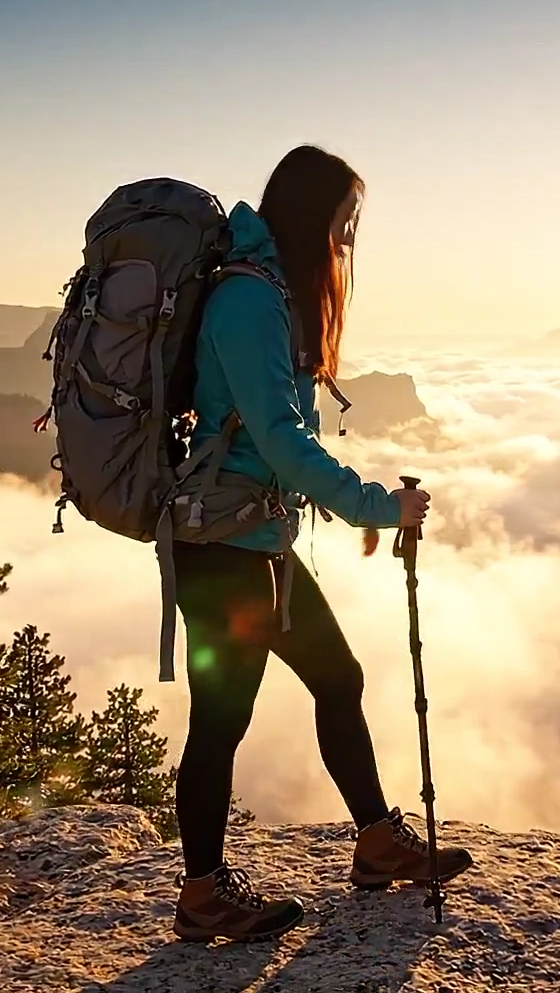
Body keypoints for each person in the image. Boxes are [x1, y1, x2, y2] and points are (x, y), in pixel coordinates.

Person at [170, 145, 474, 943]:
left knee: (338, 678)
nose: (347, 241)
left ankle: (375, 843)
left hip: (257, 543)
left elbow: (275, 437)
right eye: (343, 223)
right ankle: (201, 895)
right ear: (310, 217)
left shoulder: (270, 294)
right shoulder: (248, 301)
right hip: (224, 550)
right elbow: (278, 437)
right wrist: (374, 505)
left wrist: (339, 508)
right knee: (221, 722)